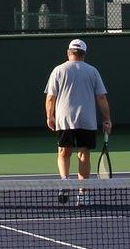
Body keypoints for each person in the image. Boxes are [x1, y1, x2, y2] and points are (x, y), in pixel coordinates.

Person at [45, 38, 111, 195]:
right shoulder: (93, 71)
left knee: (63, 152)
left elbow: (50, 98)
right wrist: (107, 119)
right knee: (84, 154)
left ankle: (65, 182)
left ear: (69, 53)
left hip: (64, 119)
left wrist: (50, 116)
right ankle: (83, 194)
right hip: (86, 120)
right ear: (84, 54)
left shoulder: (58, 70)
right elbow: (101, 98)